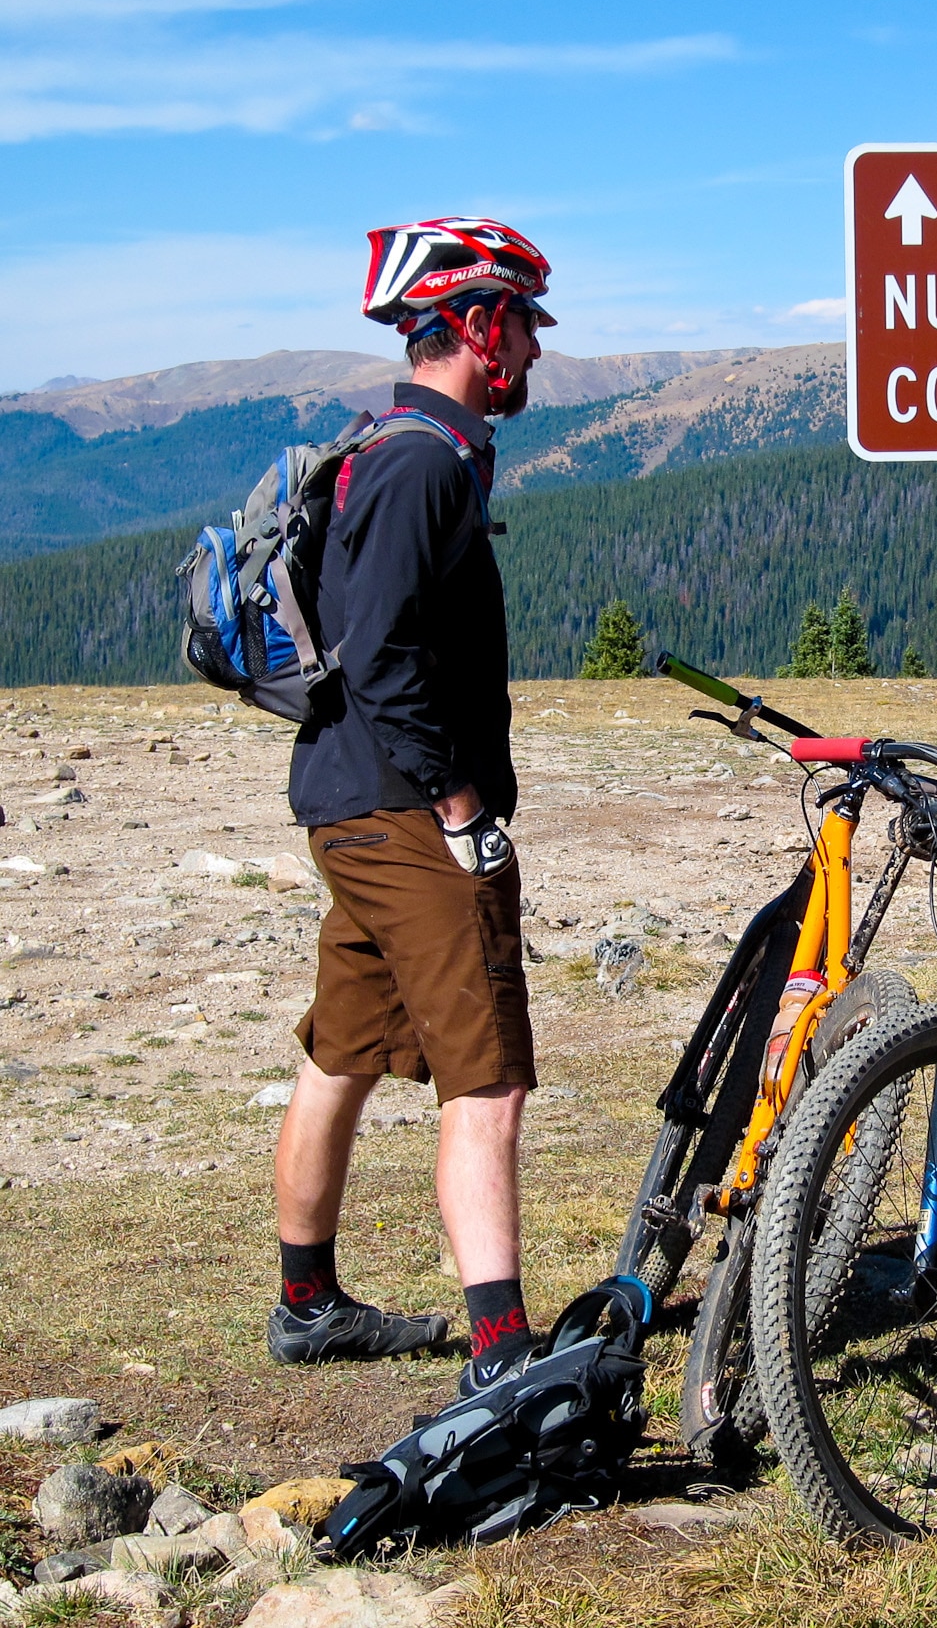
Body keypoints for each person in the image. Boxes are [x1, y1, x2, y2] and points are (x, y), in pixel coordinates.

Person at [268, 217, 556, 1395]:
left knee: (342, 1052)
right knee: (488, 1080)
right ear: (479, 329)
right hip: (400, 815)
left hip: (354, 805)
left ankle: (306, 1302)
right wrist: (454, 802)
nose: (534, 350)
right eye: (525, 325)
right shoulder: (420, 462)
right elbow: (380, 651)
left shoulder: (405, 449)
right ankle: (504, 1359)